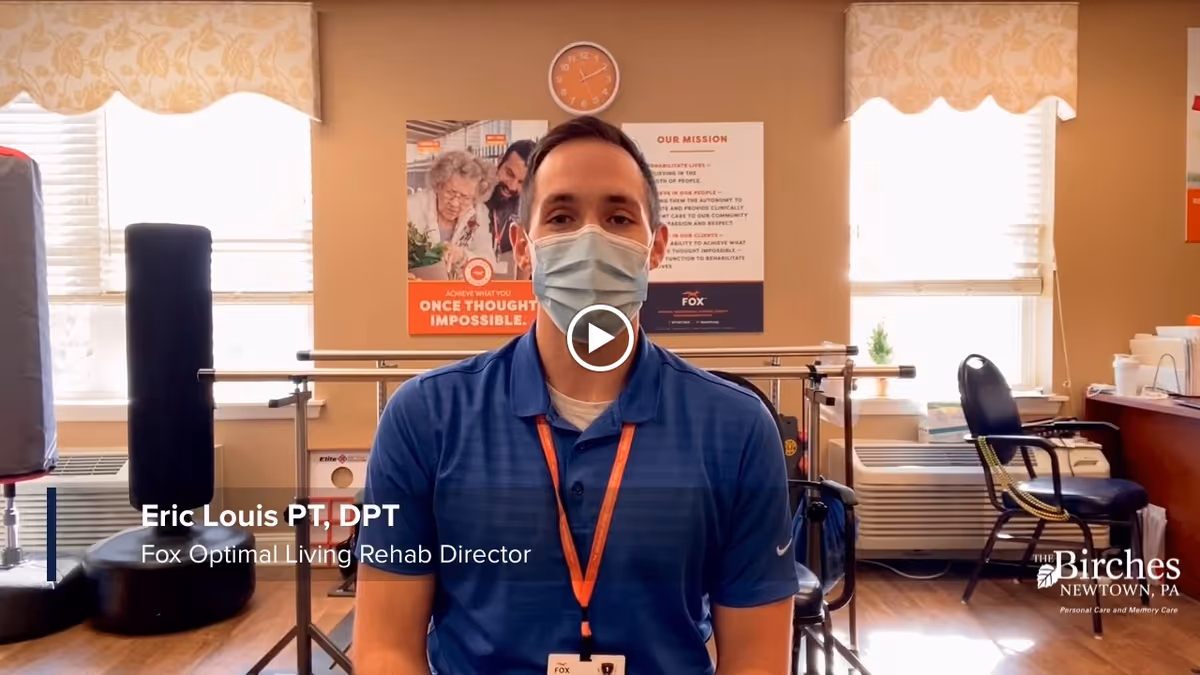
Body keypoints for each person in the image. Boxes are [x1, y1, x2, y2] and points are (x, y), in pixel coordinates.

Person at [355, 116, 796, 675]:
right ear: (522, 246)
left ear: (655, 249)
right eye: (561, 216)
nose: (591, 240)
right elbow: (385, 650)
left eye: (618, 217)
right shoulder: (424, 419)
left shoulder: (736, 429)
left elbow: (757, 661)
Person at [407, 150, 496, 280]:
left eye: (465, 198)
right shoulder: (411, 207)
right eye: (450, 192)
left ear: (475, 197)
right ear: (438, 185)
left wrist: (462, 256)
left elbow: (489, 264)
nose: (454, 203)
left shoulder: (478, 213)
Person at [485, 139, 534, 279]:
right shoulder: (471, 197)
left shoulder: (529, 212)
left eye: (521, 182)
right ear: (499, 161)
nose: (512, 186)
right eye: (509, 173)